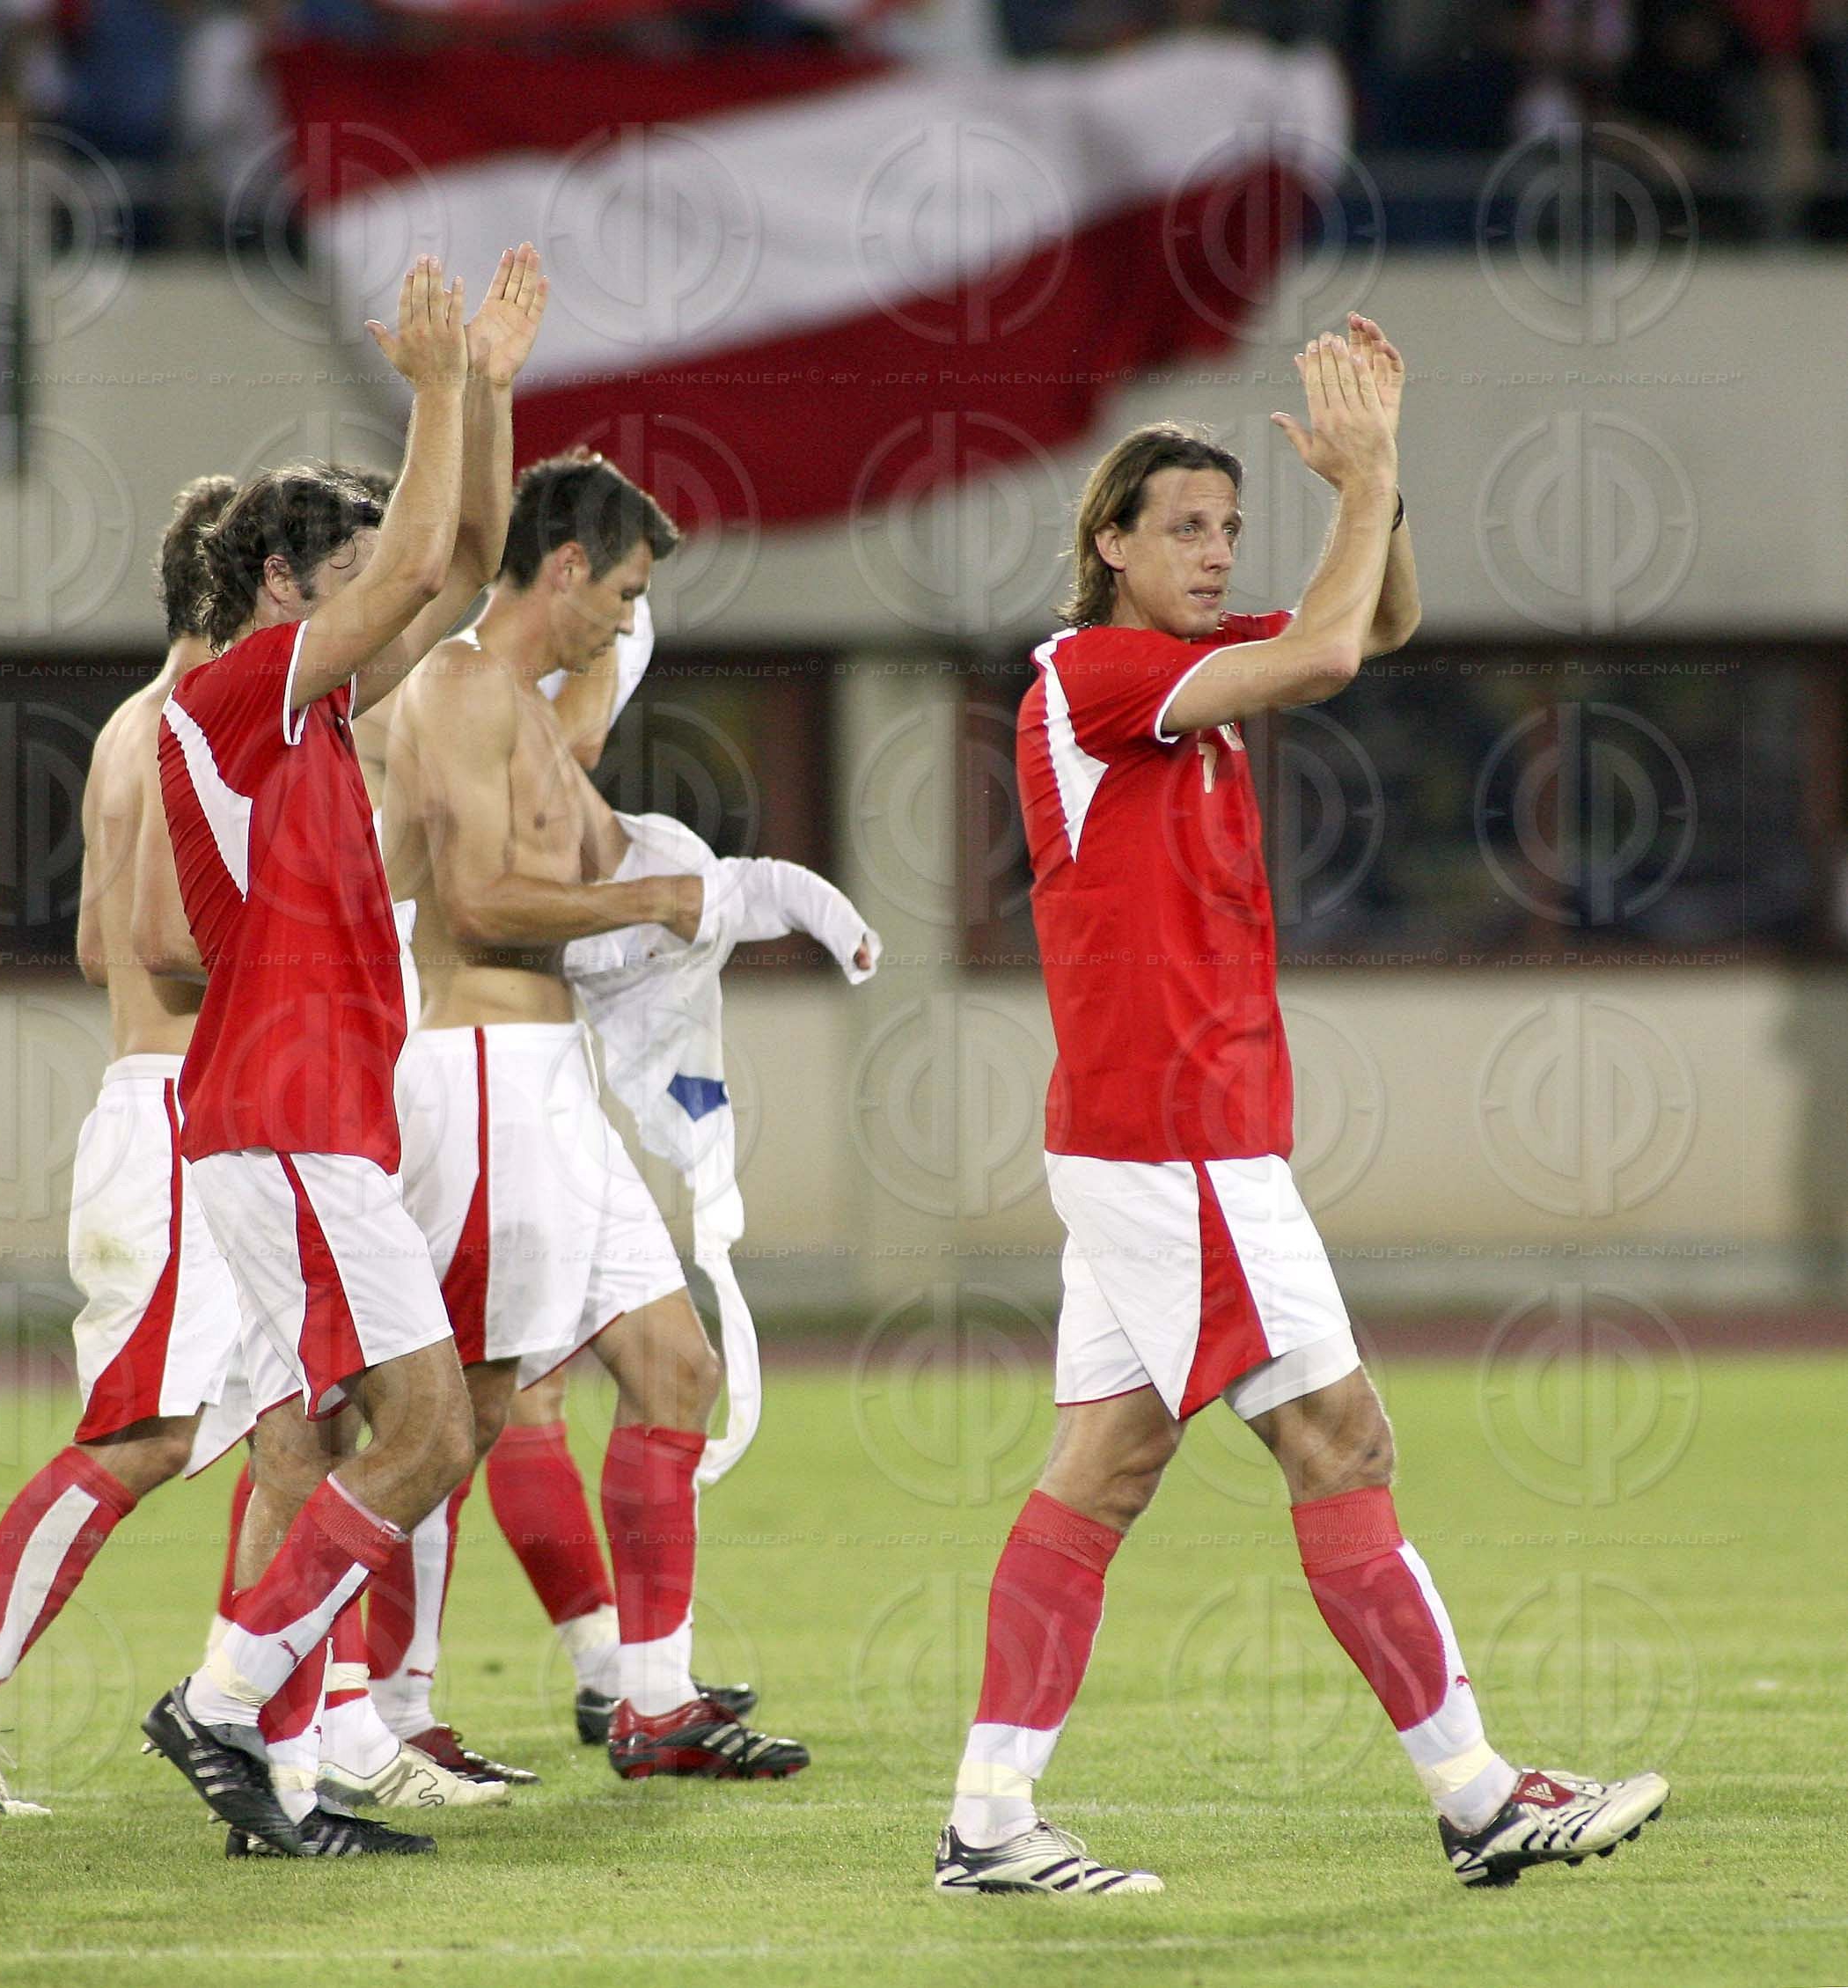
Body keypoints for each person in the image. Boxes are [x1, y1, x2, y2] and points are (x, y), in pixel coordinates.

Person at [933, 318, 1671, 1896]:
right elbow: (1333, 652)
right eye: (1181, 530)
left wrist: (1373, 497)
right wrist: (1371, 477)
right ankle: (1477, 1794)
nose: (1211, 553)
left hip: (1157, 1141)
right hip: (1175, 1142)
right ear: (1108, 546)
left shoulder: (1175, 673)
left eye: (1227, 528)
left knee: (1102, 1474)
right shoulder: (1093, 670)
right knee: (1342, 1439)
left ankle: (989, 1823)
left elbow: (1377, 618)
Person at [144, 248, 546, 1860]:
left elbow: (458, 569)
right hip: (286, 1118)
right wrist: (438, 388)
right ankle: (228, 1705)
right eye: (348, 566)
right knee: (434, 1431)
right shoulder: (234, 694)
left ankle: (286, 1785)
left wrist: (486, 396)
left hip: (298, 1125)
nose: (383, 588)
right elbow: (414, 579)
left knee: (304, 1444)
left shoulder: (301, 709)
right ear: (280, 585)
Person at [376, 451, 810, 1780]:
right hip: (484, 1077)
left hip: (551, 1084)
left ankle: (651, 1699)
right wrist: (665, 903)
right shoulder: (452, 686)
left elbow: (567, 775)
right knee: (459, 1412)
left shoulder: (519, 701)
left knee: (675, 1367)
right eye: (619, 594)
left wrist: (715, 883)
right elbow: (485, 902)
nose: (624, 617)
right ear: (563, 570)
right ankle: (366, 1708)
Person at [0, 473, 241, 1817]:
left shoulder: (125, 730)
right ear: (245, 587)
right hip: (185, 1126)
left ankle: (266, 1718)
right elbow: (157, 948)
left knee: (318, 1419)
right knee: (143, 1437)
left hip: (164, 1113)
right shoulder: (191, 728)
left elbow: (93, 944)